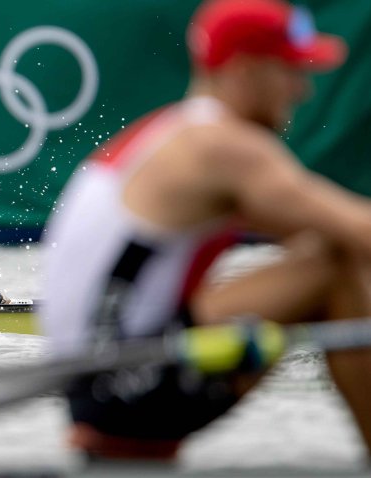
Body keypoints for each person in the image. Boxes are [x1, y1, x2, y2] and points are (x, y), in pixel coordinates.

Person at [40, 0, 371, 462]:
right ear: (244, 70)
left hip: (100, 379)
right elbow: (359, 233)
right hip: (126, 385)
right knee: (335, 262)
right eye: (290, 70)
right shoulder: (223, 147)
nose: (303, 91)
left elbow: (305, 229)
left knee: (323, 250)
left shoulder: (176, 132)